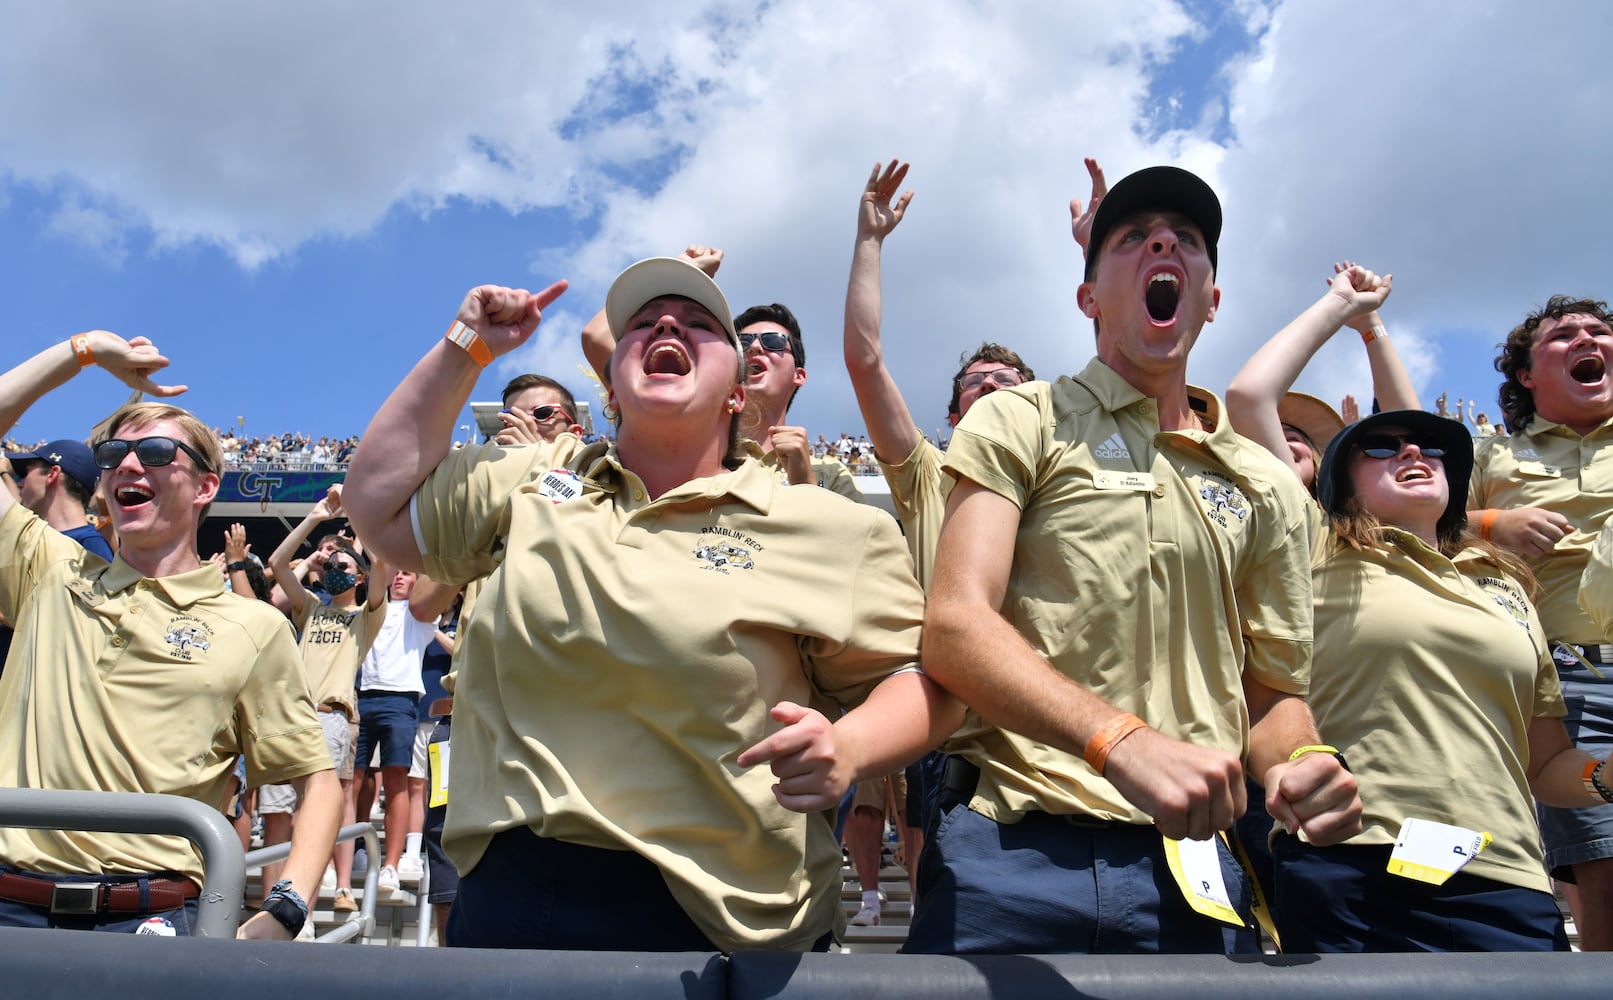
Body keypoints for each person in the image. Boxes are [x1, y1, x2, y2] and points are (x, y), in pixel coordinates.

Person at [342, 259, 957, 952]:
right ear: (609, 383)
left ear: (736, 393)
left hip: (734, 922)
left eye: (700, 324)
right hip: (522, 900)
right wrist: (468, 346)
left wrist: (848, 745)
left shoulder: (826, 525)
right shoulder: (531, 481)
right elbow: (377, 506)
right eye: (644, 323)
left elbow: (917, 682)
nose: (668, 323)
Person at [908, 164, 1361, 955]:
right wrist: (1119, 742)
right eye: (1130, 238)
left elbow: (1272, 697)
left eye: (1186, 239)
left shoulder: (1266, 483)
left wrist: (1301, 763)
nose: (1162, 241)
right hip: (1011, 844)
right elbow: (953, 626)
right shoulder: (1023, 417)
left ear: (1210, 299)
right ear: (1087, 298)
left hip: (1194, 860)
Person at [0, 331, 339, 939]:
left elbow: (314, 780)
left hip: (151, 924)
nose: (128, 465)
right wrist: (80, 352)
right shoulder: (49, 570)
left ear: (206, 487)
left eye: (157, 453)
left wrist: (286, 912)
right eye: (112, 456)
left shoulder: (253, 625)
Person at [1279, 409, 1613, 951]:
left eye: (1430, 447)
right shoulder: (1315, 548)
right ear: (1337, 482)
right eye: (1383, 447)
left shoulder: (1505, 584)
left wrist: (1606, 776)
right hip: (1357, 857)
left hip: (1509, 875)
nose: (1412, 453)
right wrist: (1360, 323)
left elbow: (1546, 764)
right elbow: (1253, 394)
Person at [840, 158, 1038, 922]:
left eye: (1007, 380)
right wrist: (868, 241)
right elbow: (864, 361)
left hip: (1057, 716)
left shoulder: (1071, 475)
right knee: (945, 910)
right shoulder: (928, 476)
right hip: (953, 725)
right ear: (953, 416)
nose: (990, 387)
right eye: (974, 383)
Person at [1468, 295, 1613, 950]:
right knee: (1604, 867)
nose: (1587, 339)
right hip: (1571, 685)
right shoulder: (1491, 456)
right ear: (1525, 375)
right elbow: (1398, 527)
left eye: (1598, 331)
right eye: (1563, 336)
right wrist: (1494, 525)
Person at [262, 487, 387, 914]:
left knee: (314, 820)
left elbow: (382, 566)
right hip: (290, 718)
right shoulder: (312, 607)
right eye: (330, 563)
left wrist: (360, 527)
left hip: (331, 720)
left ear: (359, 578)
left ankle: (303, 910)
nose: (333, 569)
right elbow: (277, 565)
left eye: (343, 566)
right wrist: (315, 520)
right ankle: (271, 906)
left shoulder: (364, 616)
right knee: (278, 819)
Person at [0, 439, 116, 677]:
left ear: (52, 474)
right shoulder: (34, 539)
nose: (21, 483)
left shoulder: (90, 546)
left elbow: (83, 630)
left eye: (29, 471)